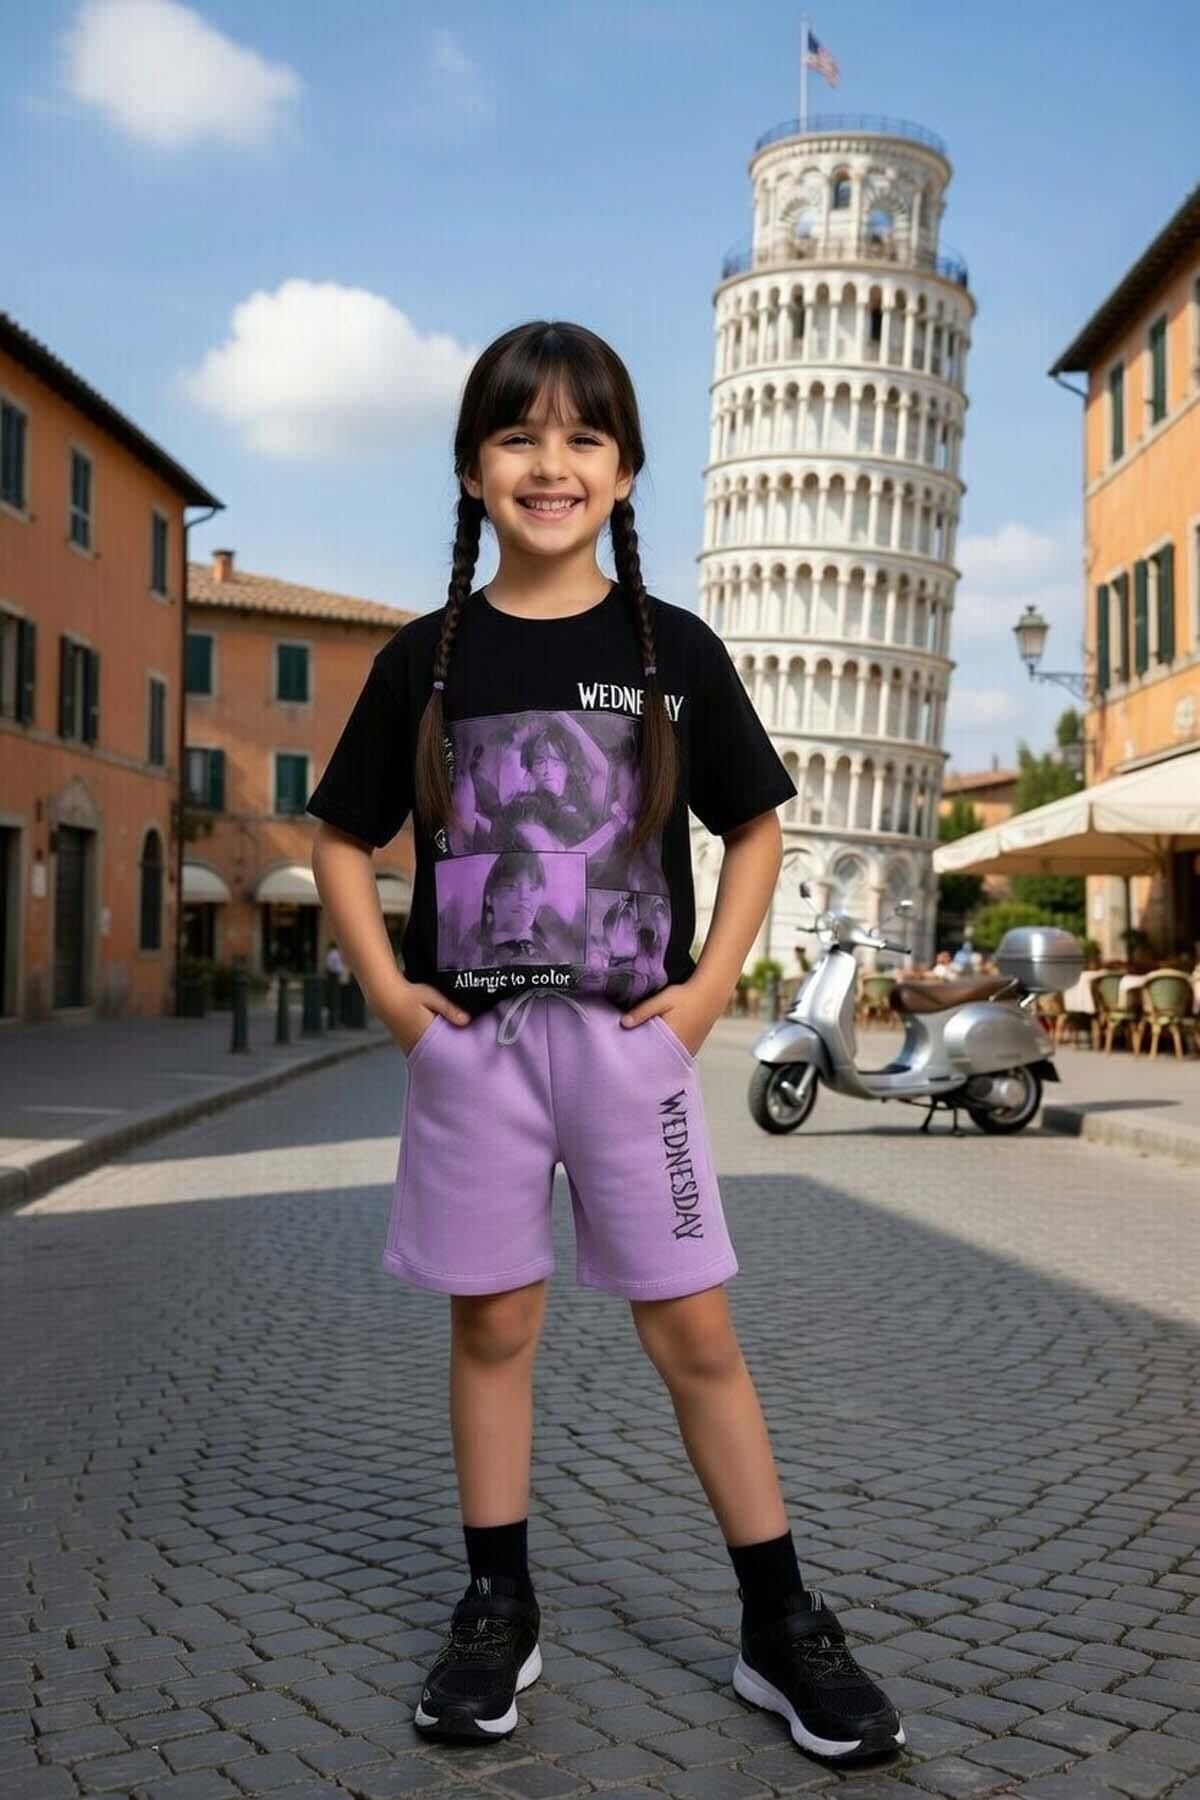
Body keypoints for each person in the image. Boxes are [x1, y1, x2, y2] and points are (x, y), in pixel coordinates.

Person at [306, 321, 905, 1767]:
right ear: (472, 468)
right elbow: (338, 838)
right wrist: (393, 999)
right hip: (476, 1053)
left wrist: (705, 997)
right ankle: (497, 1604)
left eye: (583, 437)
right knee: (493, 1323)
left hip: (631, 1050)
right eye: (518, 436)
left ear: (626, 472)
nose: (551, 463)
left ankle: (779, 1622)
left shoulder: (674, 652)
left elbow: (756, 827)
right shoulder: (423, 660)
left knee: (693, 1329)